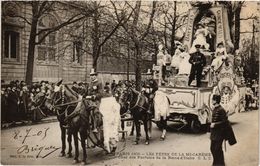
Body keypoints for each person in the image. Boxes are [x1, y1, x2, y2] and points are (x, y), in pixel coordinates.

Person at [210, 94, 227, 166]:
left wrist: (215, 124)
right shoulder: (214, 108)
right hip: (214, 133)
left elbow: (225, 122)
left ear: (216, 100)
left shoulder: (221, 110)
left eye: (213, 99)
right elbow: (212, 120)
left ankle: (219, 164)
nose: (212, 101)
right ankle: (217, 162)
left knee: (217, 149)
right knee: (212, 149)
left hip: (220, 133)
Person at [86, 69, 104, 133]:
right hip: (89, 100)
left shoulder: (99, 83)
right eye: (91, 75)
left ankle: (95, 127)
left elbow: (101, 93)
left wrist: (94, 96)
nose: (92, 77)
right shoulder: (90, 83)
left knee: (95, 111)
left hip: (96, 101)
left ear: (95, 76)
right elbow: (87, 92)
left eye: (93, 75)